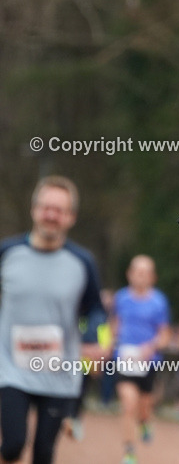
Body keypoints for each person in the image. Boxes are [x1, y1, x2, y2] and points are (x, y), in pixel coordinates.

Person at [0, 176, 105, 464]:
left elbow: (95, 309)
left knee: (43, 454)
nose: (51, 215)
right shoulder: (8, 252)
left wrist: (92, 337)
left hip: (60, 374)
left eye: (59, 210)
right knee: (12, 445)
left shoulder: (82, 262)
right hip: (11, 368)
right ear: (34, 210)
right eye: (46, 208)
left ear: (70, 217)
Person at [111, 255, 171, 464]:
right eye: (137, 271)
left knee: (143, 409)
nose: (140, 276)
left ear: (152, 277)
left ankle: (145, 422)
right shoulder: (120, 298)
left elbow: (165, 335)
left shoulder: (159, 301)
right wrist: (107, 348)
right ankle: (129, 451)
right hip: (124, 359)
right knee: (128, 405)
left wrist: (151, 346)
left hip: (148, 362)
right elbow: (114, 327)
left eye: (145, 272)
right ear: (129, 274)